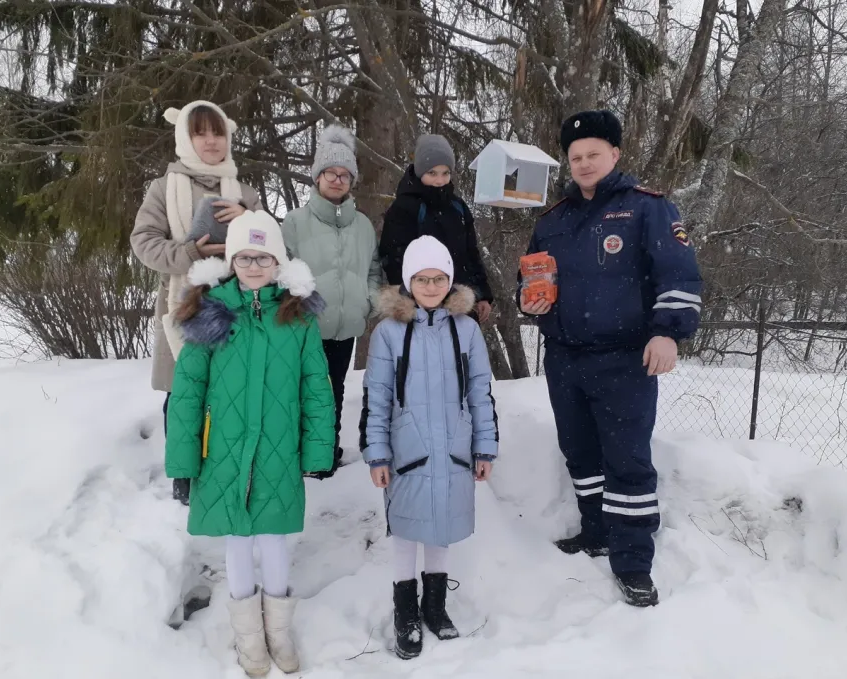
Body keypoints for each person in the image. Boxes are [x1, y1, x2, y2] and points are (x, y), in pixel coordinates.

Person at [518, 110, 702, 607]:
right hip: (564, 359)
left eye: (593, 154)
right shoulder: (553, 219)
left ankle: (633, 560)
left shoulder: (647, 208)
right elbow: (532, 280)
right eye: (575, 156)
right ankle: (596, 531)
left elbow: (679, 274)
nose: (583, 163)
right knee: (580, 453)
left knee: (627, 460)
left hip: (625, 359)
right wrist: (529, 301)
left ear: (615, 154)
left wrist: (667, 333)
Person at [165, 210, 334, 676]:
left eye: (263, 257)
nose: (254, 266)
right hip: (225, 448)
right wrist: (184, 458)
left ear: (278, 261)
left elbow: (315, 386)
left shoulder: (297, 316)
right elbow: (188, 391)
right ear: (231, 261)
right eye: (244, 257)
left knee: (274, 536)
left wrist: (318, 448)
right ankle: (248, 636)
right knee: (238, 538)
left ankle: (278, 630)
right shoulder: (211, 312)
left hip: (279, 447)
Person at [360, 236, 498, 659]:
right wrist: (377, 453)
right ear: (408, 281)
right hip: (408, 449)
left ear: (450, 280)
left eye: (439, 278)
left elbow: (480, 391)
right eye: (422, 278)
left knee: (442, 525)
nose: (432, 286)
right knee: (407, 527)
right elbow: (377, 396)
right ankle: (405, 611)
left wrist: (485, 447)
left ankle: (434, 606)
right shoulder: (388, 332)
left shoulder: (466, 329)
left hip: (455, 445)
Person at [131, 100, 262, 505]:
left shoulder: (245, 193)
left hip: (234, 306)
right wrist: (189, 253)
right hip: (182, 304)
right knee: (183, 394)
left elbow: (271, 246)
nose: (210, 140)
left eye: (217, 132)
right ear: (185, 138)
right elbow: (143, 242)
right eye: (200, 132)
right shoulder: (163, 188)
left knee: (228, 392)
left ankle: (223, 465)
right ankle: (184, 476)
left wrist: (248, 218)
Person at [281, 124, 381, 478]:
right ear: (318, 176)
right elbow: (281, 270)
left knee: (333, 391)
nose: (338, 180)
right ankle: (295, 454)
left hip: (345, 327)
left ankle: (325, 455)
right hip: (305, 328)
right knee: (301, 391)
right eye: (331, 173)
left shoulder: (363, 226)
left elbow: (374, 270)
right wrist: (297, 308)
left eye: (344, 175)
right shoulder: (295, 222)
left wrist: (367, 302)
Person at [379, 134, 494, 323]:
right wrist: (412, 300)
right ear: (420, 172)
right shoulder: (404, 207)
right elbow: (393, 258)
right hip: (419, 306)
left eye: (445, 173)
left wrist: (482, 294)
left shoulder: (458, 207)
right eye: (432, 173)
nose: (440, 180)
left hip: (460, 304)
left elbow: (471, 254)